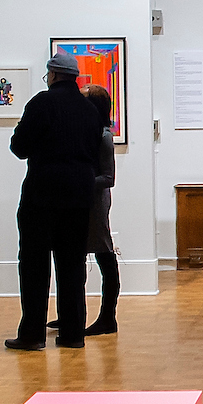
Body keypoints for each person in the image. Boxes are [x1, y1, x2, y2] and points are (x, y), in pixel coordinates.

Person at [6, 51, 106, 350]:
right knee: (72, 265)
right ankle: (74, 333)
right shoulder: (89, 110)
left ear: (52, 75)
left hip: (42, 194)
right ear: (74, 77)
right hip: (79, 196)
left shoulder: (41, 103)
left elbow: (19, 147)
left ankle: (33, 334)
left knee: (34, 265)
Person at [80, 83, 121, 337]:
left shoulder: (103, 135)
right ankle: (71, 314)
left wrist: (79, 181)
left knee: (104, 254)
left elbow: (108, 177)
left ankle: (108, 316)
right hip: (85, 199)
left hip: (95, 202)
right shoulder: (89, 132)